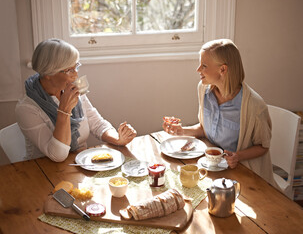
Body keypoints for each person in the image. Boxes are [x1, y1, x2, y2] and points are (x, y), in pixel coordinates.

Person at [163, 39, 277, 187]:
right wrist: (181, 130)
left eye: (204, 66)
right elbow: (206, 129)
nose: (198, 70)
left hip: (243, 174)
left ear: (222, 70)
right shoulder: (203, 89)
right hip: (211, 166)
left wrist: (237, 156)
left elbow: (263, 146)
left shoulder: (255, 106)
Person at [15, 38, 137, 162]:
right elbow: (58, 155)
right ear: (48, 74)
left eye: (76, 67)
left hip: (79, 164)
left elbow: (96, 123)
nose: (76, 75)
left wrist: (118, 139)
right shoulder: (27, 109)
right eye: (69, 70)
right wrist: (64, 110)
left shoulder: (70, 89)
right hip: (41, 172)